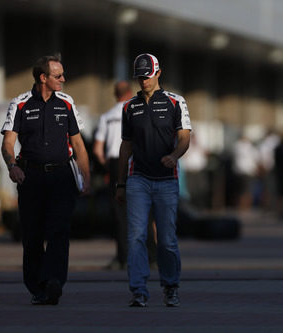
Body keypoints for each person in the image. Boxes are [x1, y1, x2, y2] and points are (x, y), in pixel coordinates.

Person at [0, 54, 90, 305]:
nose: (63, 79)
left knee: (59, 230)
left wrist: (86, 177)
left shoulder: (67, 103)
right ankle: (37, 287)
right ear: (43, 78)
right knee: (32, 235)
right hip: (31, 177)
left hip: (62, 176)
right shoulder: (19, 104)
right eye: (58, 75)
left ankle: (53, 281)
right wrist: (12, 167)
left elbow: (78, 144)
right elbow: (7, 143)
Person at [115, 53, 191, 307]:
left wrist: (174, 155)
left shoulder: (175, 102)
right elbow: (125, 147)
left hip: (167, 180)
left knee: (167, 238)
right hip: (137, 179)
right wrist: (120, 183)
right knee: (136, 236)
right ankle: (138, 290)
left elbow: (184, 138)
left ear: (158, 73)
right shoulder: (129, 107)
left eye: (147, 75)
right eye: (139, 76)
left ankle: (171, 286)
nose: (143, 80)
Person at [93, 81, 133, 269]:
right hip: (134, 162)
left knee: (119, 213)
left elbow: (97, 149)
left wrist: (107, 166)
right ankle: (150, 257)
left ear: (114, 94)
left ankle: (122, 257)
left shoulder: (107, 117)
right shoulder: (135, 111)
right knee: (143, 210)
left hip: (115, 164)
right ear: (130, 93)